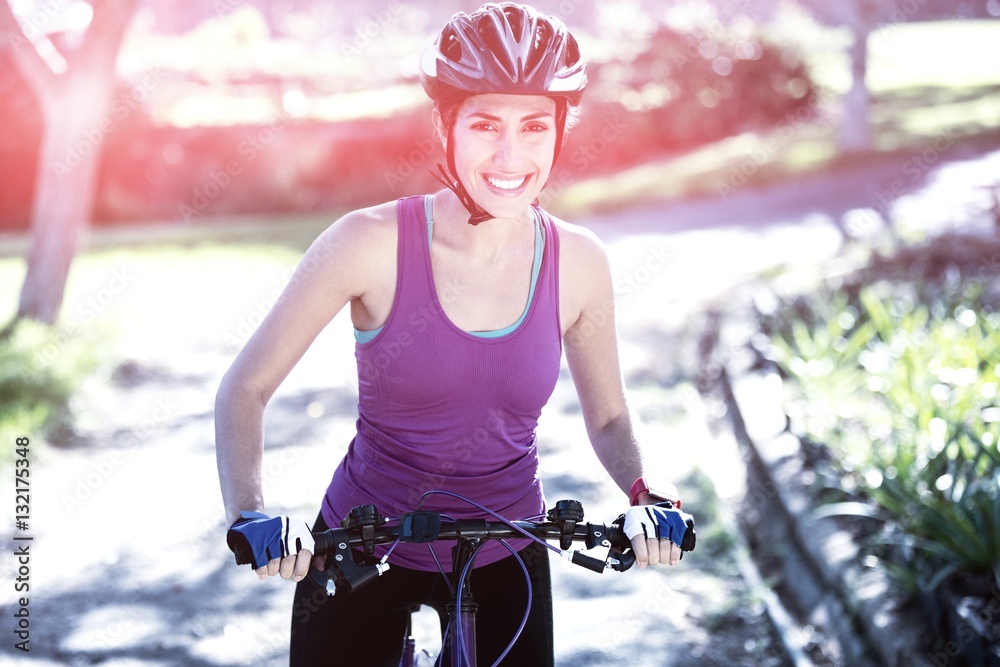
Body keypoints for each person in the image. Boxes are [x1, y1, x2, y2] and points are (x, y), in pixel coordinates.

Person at [215, 3, 694, 665]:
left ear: (558, 132)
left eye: (533, 126)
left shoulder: (579, 262)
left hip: (510, 548)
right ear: (445, 126)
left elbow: (610, 415)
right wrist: (251, 514)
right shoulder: (367, 243)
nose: (509, 154)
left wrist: (651, 494)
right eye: (484, 124)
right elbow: (246, 387)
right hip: (362, 547)